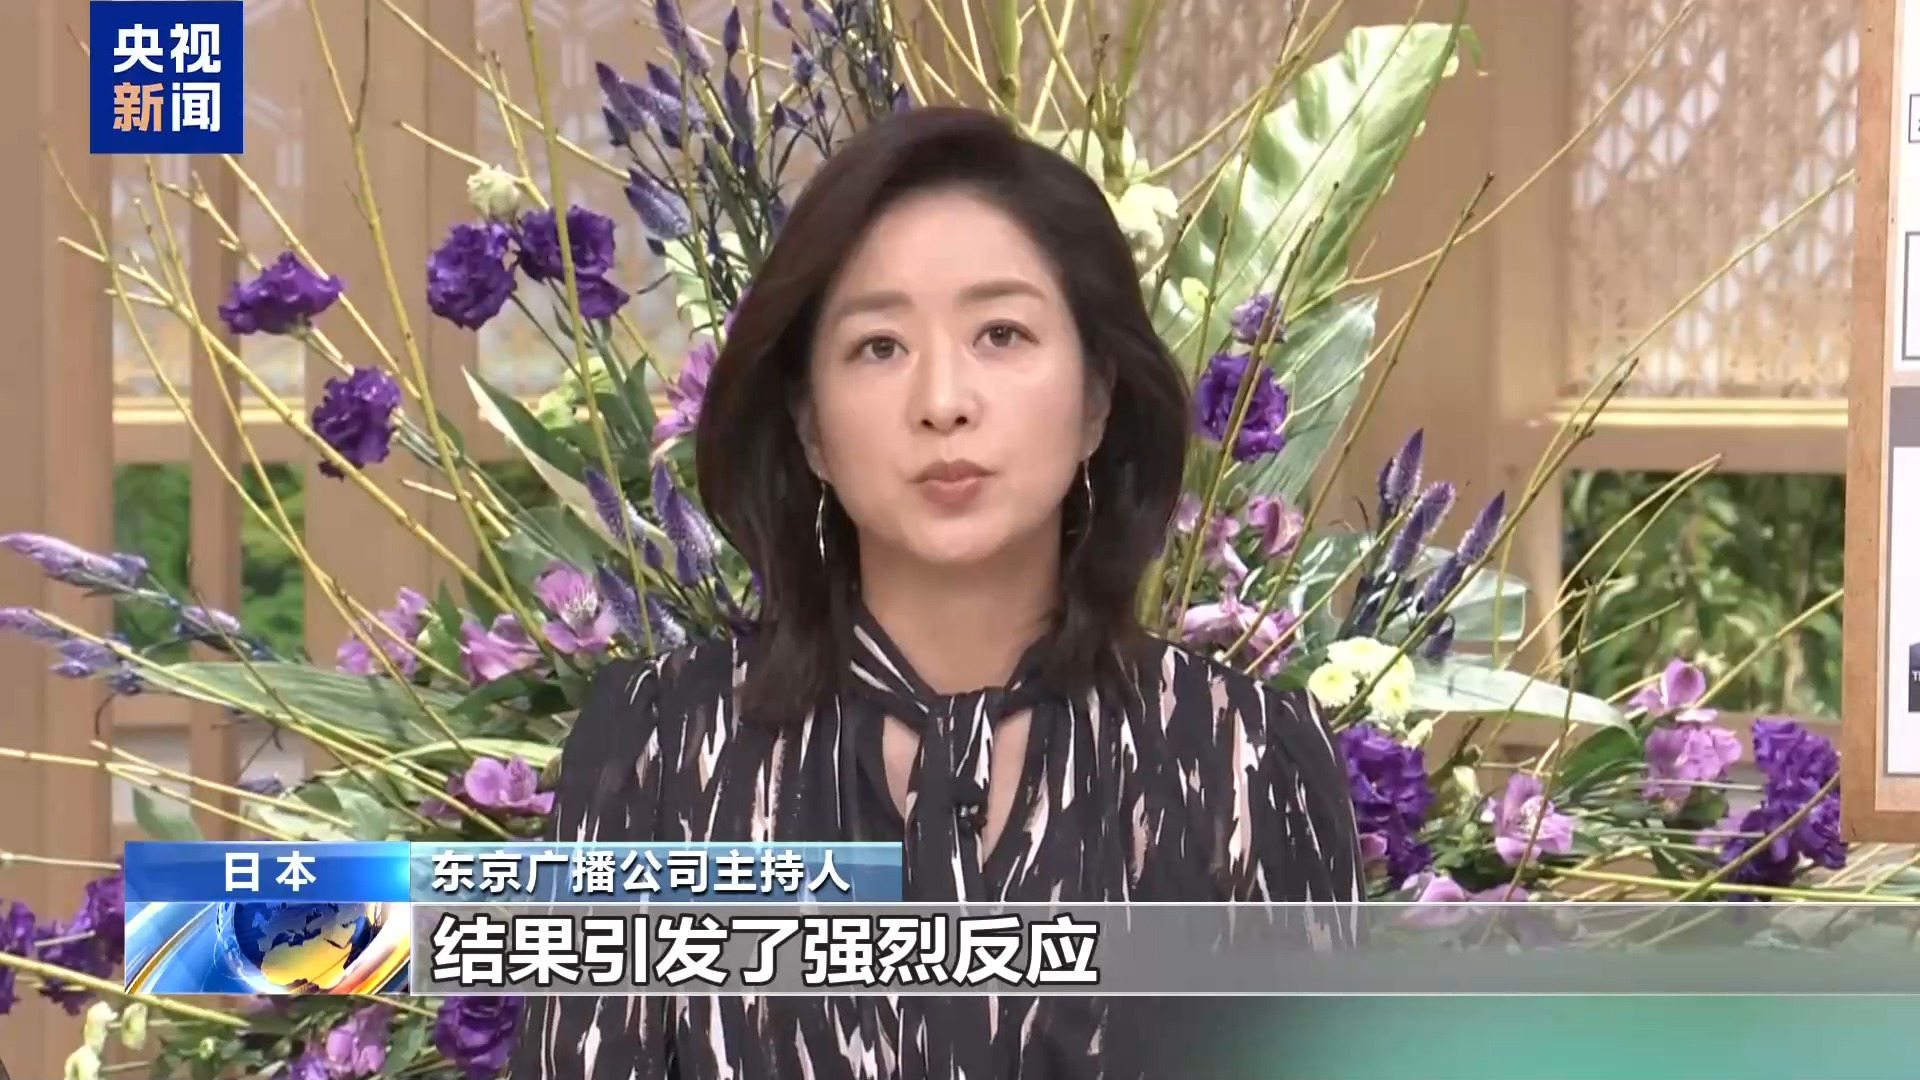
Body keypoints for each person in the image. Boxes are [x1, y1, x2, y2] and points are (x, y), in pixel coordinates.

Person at [509, 105, 1361, 1080]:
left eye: (1001, 333)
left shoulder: (1251, 760)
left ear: (1096, 398)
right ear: (810, 425)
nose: (943, 401)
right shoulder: (658, 752)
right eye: (879, 347)